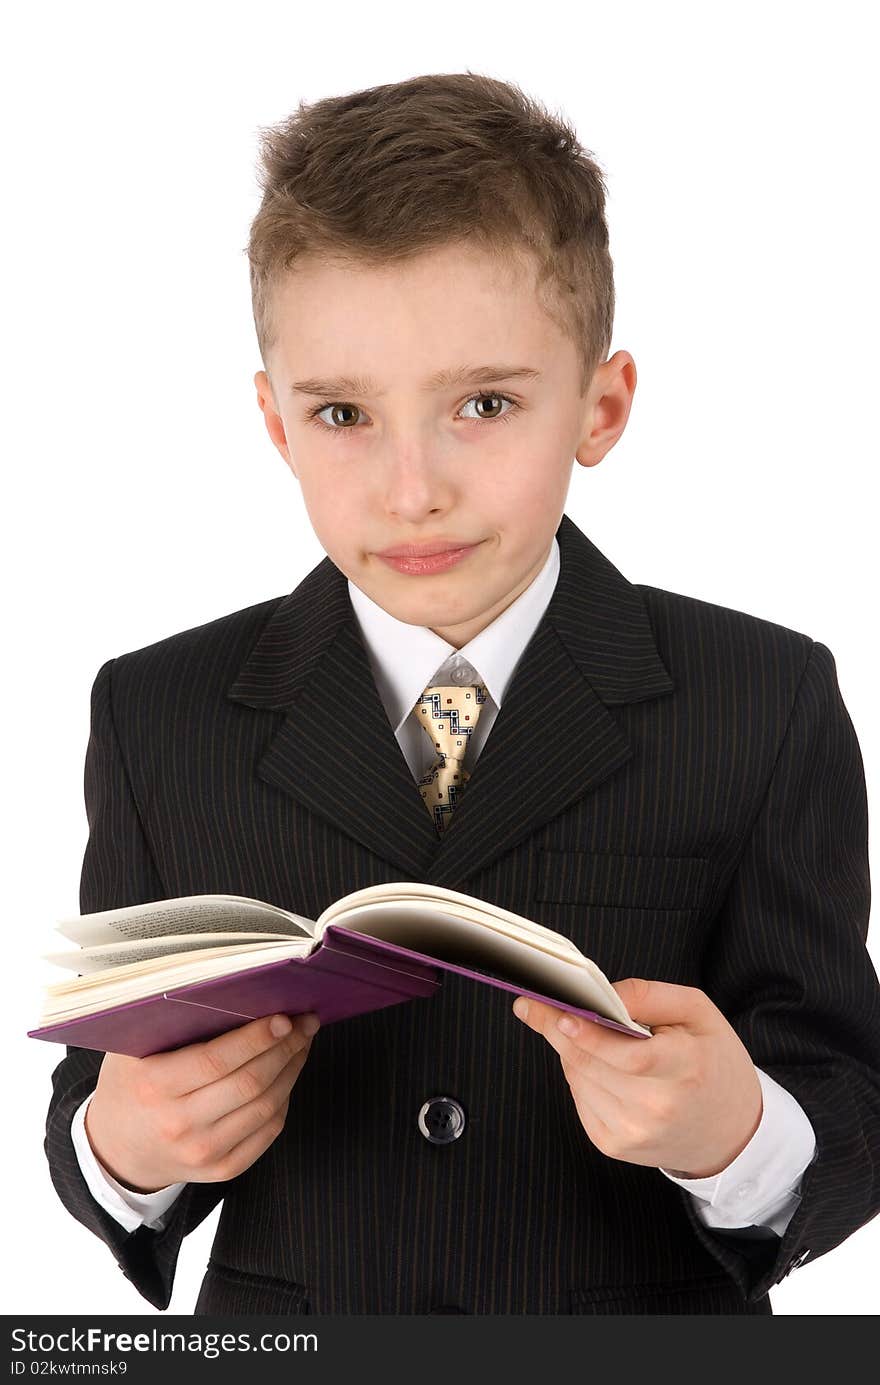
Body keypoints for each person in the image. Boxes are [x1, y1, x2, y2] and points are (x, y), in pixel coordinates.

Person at [43, 72, 879, 1316]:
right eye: (343, 413)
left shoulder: (761, 697)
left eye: (482, 404)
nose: (412, 486)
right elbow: (95, 1103)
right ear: (276, 422)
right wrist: (131, 1152)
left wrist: (736, 1131)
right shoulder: (159, 713)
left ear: (599, 406)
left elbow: (845, 1092)